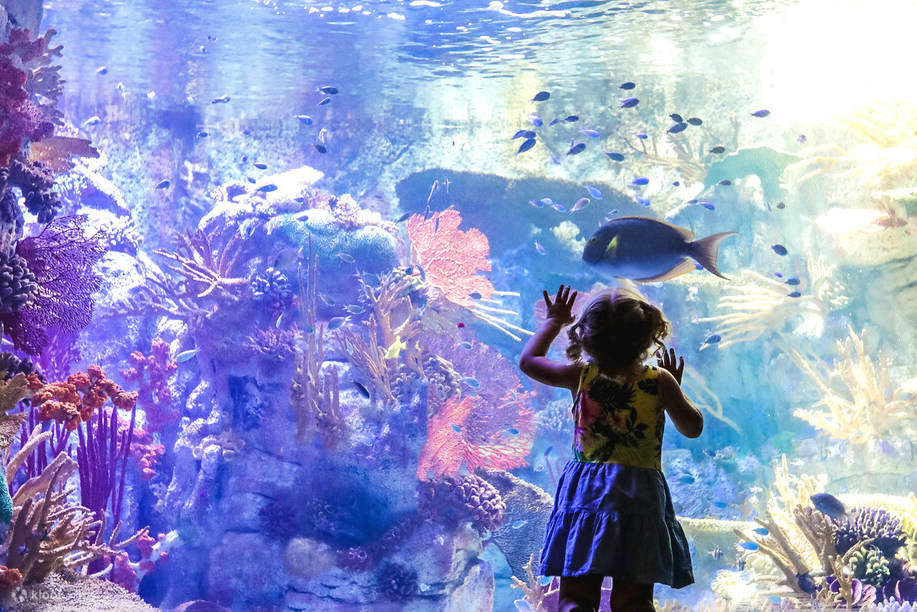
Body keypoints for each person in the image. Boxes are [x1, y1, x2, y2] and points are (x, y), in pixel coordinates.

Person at [518, 285, 703, 612]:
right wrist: (674, 391)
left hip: (588, 492)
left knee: (576, 594)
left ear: (586, 336)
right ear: (647, 337)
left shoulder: (580, 375)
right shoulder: (660, 380)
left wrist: (553, 322)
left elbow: (530, 362)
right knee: (634, 601)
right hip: (640, 496)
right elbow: (693, 428)